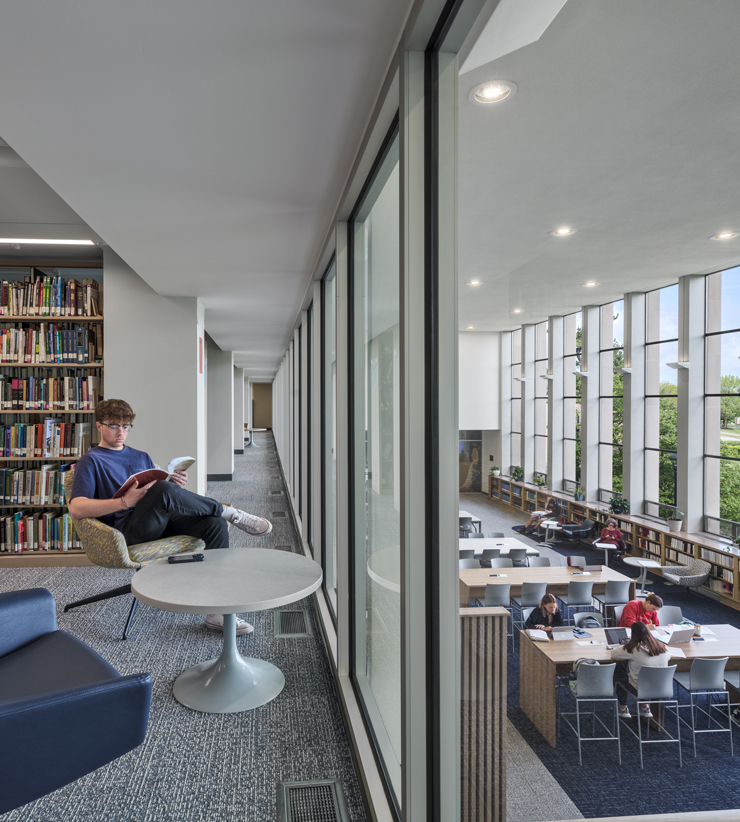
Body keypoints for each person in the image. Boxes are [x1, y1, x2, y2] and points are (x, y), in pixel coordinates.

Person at [69, 399, 273, 636]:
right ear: (99, 426)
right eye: (114, 426)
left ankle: (218, 611)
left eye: (126, 427)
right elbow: (77, 509)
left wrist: (173, 483)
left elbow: (157, 492)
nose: (121, 432)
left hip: (155, 520)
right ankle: (230, 512)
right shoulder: (91, 460)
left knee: (214, 525)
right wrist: (126, 502)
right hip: (126, 531)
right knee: (166, 493)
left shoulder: (140, 455)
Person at [610, 620, 670, 718]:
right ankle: (644, 706)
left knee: (618, 669)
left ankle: (623, 707)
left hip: (640, 690)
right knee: (644, 674)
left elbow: (614, 654)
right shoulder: (662, 647)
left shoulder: (633, 648)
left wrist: (625, 644)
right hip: (661, 688)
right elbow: (668, 657)